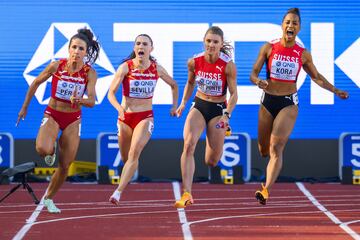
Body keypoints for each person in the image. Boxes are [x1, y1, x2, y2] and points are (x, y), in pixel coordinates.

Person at [250, 8, 349, 205]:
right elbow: (253, 73)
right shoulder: (268, 48)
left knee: (276, 147)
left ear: (299, 28)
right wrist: (257, 81)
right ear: (282, 25)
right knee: (263, 149)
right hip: (267, 101)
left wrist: (335, 90)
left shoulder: (302, 54)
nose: (291, 25)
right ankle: (268, 162)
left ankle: (266, 190)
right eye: (288, 22)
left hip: (288, 102)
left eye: (295, 23)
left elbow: (317, 78)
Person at [16, 28, 100, 213]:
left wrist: (81, 101)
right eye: (74, 47)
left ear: (86, 53)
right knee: (42, 149)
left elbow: (92, 101)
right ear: (69, 49)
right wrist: (25, 107)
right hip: (53, 114)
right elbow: (36, 82)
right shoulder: (56, 66)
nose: (77, 51)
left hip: (73, 119)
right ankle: (51, 148)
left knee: (65, 165)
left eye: (81, 49)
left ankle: (48, 198)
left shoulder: (90, 73)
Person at [108, 34, 179, 205]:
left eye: (145, 44)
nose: (141, 46)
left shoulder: (157, 69)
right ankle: (129, 171)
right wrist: (119, 109)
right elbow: (110, 93)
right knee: (127, 159)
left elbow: (174, 85)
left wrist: (174, 106)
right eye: (138, 44)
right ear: (134, 48)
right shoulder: (125, 68)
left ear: (150, 49)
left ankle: (117, 192)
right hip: (125, 117)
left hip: (145, 116)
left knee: (134, 153)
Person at [174, 26, 238, 208]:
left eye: (215, 42)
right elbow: (190, 82)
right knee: (188, 144)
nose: (211, 45)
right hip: (200, 105)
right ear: (204, 42)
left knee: (211, 161)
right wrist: (183, 103)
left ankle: (225, 130)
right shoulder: (194, 61)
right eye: (208, 41)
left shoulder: (228, 66)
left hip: (218, 109)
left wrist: (227, 115)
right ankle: (186, 193)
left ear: (221, 44)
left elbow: (234, 94)